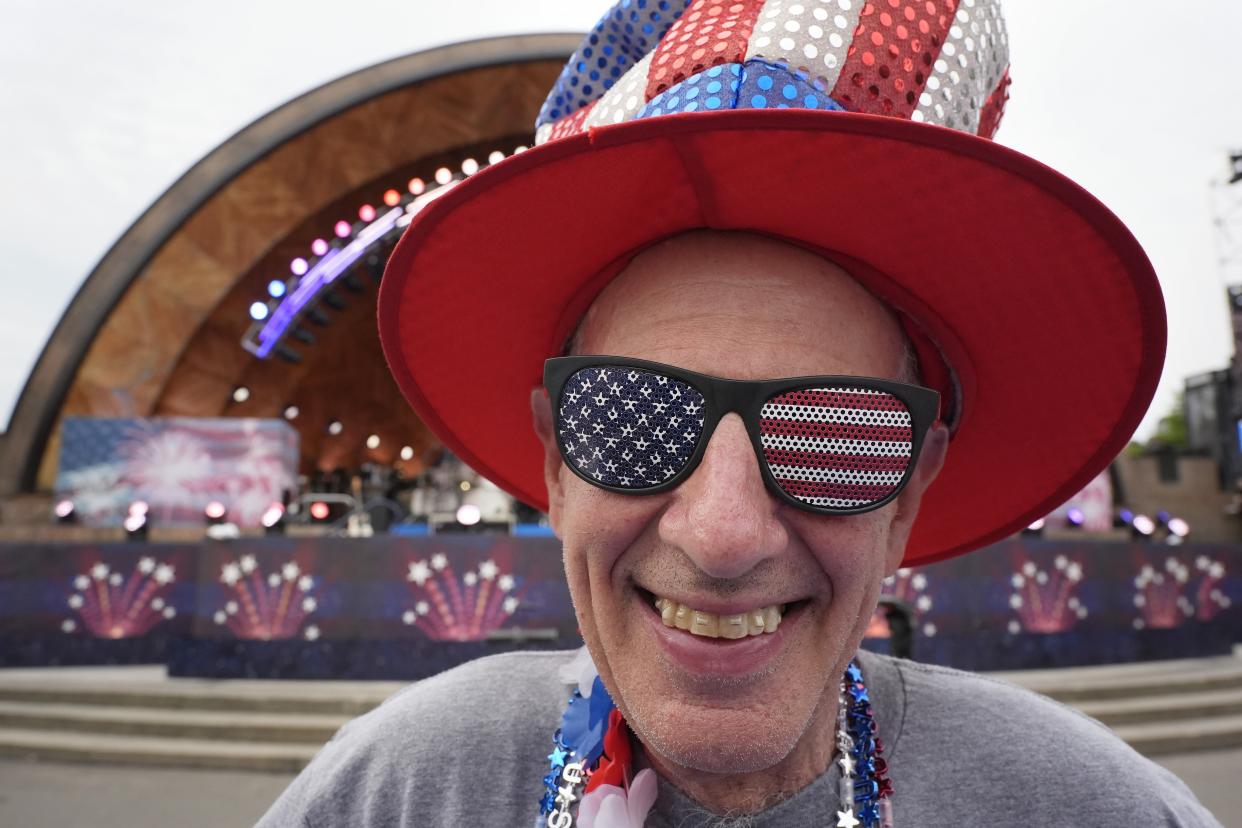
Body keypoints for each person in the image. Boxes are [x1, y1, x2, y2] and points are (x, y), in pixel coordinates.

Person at [259, 1, 1221, 825]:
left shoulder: (1092, 809)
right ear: (556, 464)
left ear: (907, 498)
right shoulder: (398, 794)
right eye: (634, 420)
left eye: (832, 436)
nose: (722, 538)